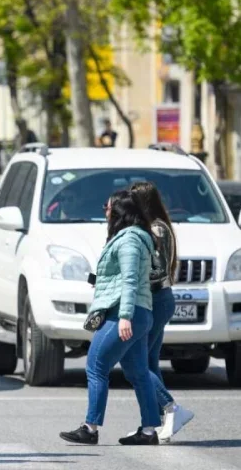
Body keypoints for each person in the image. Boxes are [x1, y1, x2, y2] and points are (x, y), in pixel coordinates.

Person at [59, 189, 160, 446]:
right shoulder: (134, 237)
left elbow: (129, 280)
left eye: (108, 206)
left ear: (119, 211)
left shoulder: (128, 240)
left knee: (96, 366)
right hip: (138, 312)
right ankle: (149, 431)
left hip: (125, 313)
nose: (104, 210)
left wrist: (124, 316)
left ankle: (90, 428)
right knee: (138, 372)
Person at [129, 181, 195, 441]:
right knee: (150, 362)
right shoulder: (151, 226)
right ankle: (153, 424)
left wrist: (133, 275)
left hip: (157, 299)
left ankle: (171, 409)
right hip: (157, 299)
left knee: (138, 363)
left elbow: (160, 271)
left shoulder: (157, 228)